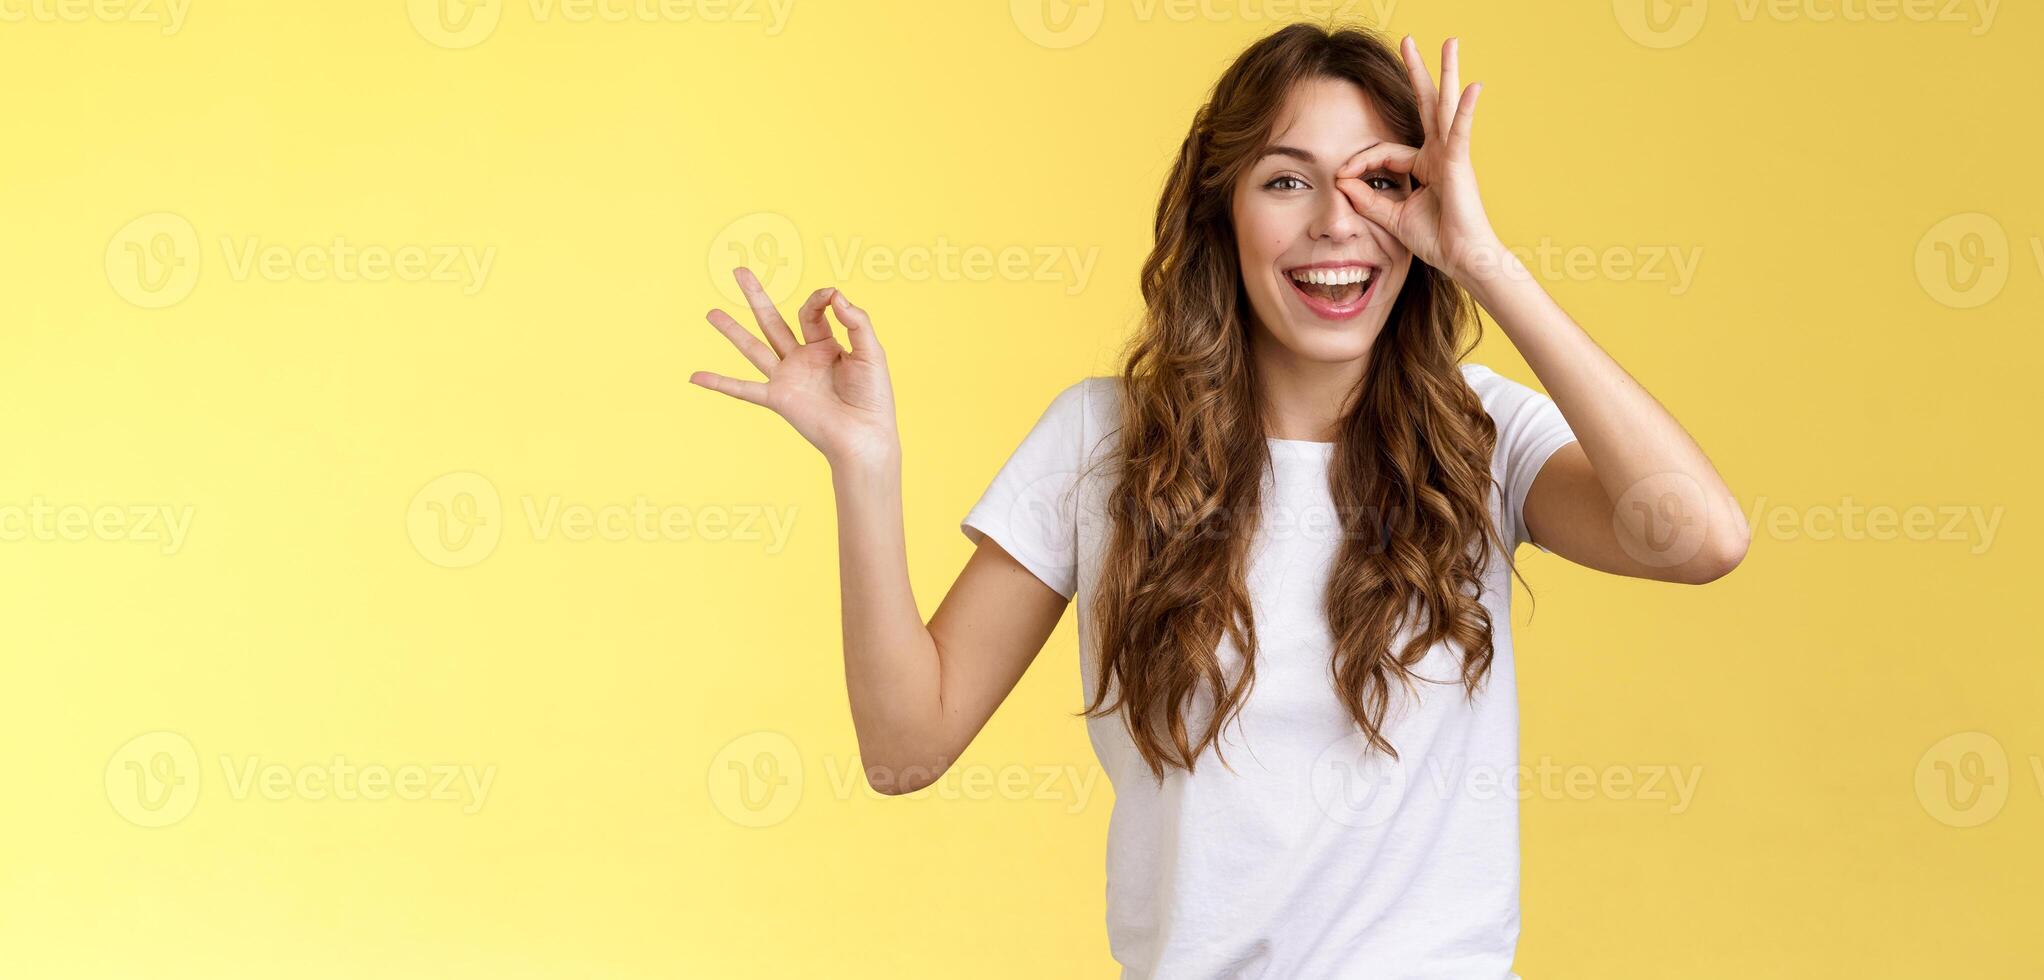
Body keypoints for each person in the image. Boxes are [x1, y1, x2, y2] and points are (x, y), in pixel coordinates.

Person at [684, 23, 1748, 979]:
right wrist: (863, 468)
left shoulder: (1481, 433)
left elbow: (1701, 537)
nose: (1338, 222)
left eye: (1379, 182)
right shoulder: (1101, 440)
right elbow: (902, 749)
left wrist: (1482, 259)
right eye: (1285, 181)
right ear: (1221, 211)